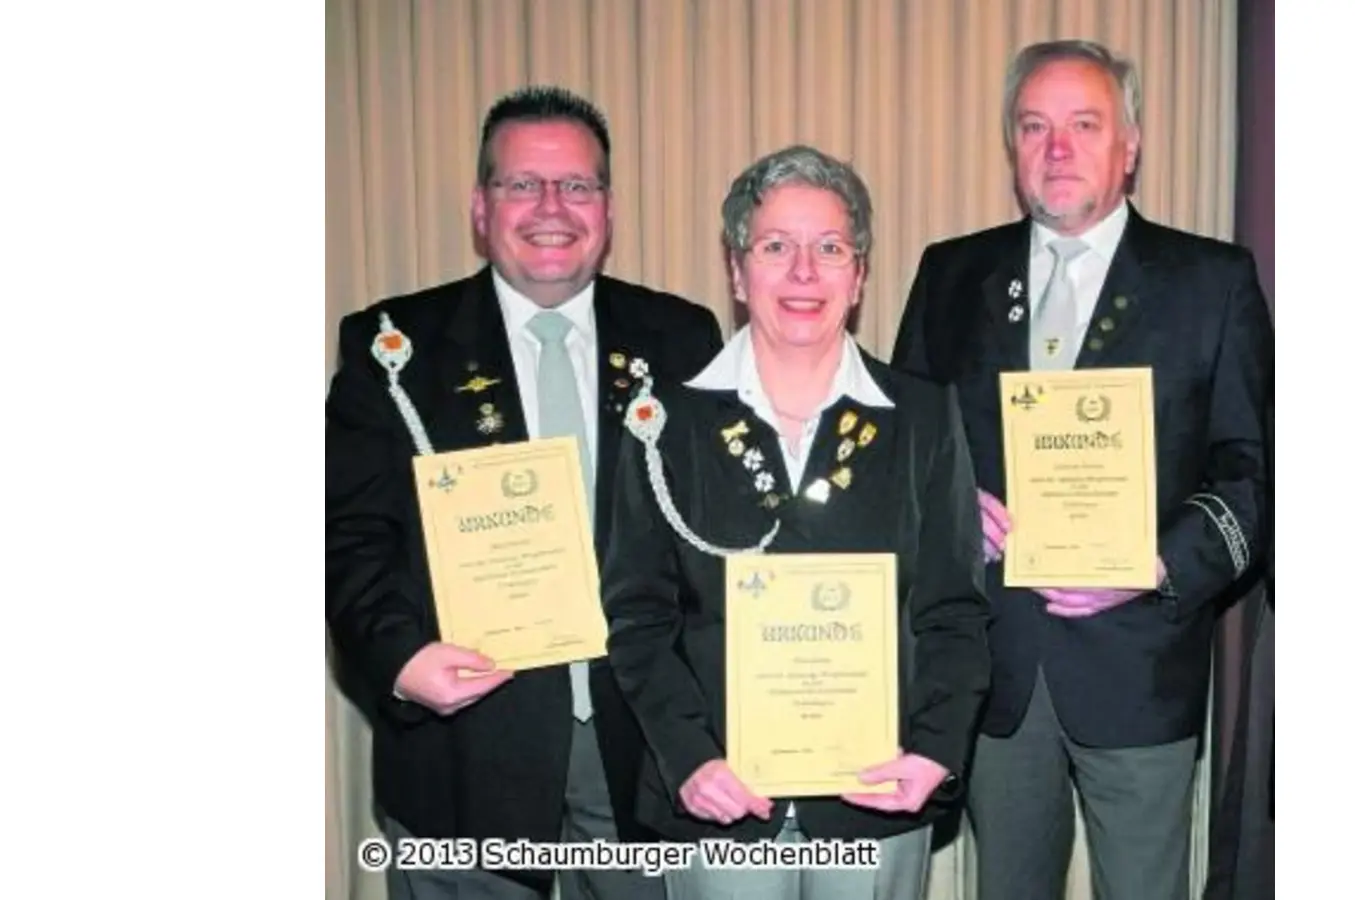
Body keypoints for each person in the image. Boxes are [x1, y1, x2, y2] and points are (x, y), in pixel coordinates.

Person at [890, 40, 1273, 900]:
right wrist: (954, 508)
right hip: (996, 668)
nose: (1057, 148)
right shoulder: (952, 274)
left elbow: (1252, 474)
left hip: (1140, 667)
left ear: (1129, 146)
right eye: (1035, 126)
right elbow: (906, 451)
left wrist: (1163, 562)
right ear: (1011, 146)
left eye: (1084, 124)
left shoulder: (1210, 282)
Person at [325, 85, 724, 900]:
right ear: (481, 207)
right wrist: (400, 660)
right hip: (465, 764)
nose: (553, 207)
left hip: (643, 763)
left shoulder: (682, 338)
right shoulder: (392, 345)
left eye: (577, 185)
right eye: (521, 185)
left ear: (607, 210)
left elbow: (713, 538)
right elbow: (350, 538)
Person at [600, 144, 991, 900]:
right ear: (738, 271)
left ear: (861, 272)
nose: (804, 272)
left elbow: (954, 611)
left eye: (830, 248)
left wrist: (935, 753)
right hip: (720, 803)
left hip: (877, 801)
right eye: (777, 246)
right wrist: (688, 757)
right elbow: (638, 616)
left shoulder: (922, 417)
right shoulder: (663, 423)